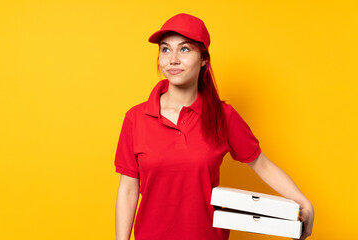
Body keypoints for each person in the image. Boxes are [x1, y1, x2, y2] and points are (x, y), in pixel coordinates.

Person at [115, 13, 314, 240]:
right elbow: (128, 190)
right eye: (165, 49)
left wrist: (303, 201)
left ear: (204, 60)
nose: (173, 59)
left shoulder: (223, 116)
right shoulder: (136, 118)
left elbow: (262, 164)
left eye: (185, 49)